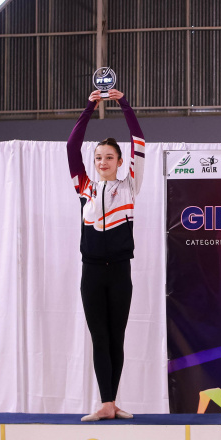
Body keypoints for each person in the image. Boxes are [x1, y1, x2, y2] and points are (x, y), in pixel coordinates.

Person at [66, 89, 145, 422]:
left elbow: (138, 141)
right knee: (99, 338)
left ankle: (112, 402)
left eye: (109, 157)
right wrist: (89, 107)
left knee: (117, 338)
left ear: (120, 161)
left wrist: (123, 103)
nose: (102, 162)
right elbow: (72, 147)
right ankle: (107, 403)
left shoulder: (129, 186)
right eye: (98, 157)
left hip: (120, 273)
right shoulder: (84, 187)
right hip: (92, 273)